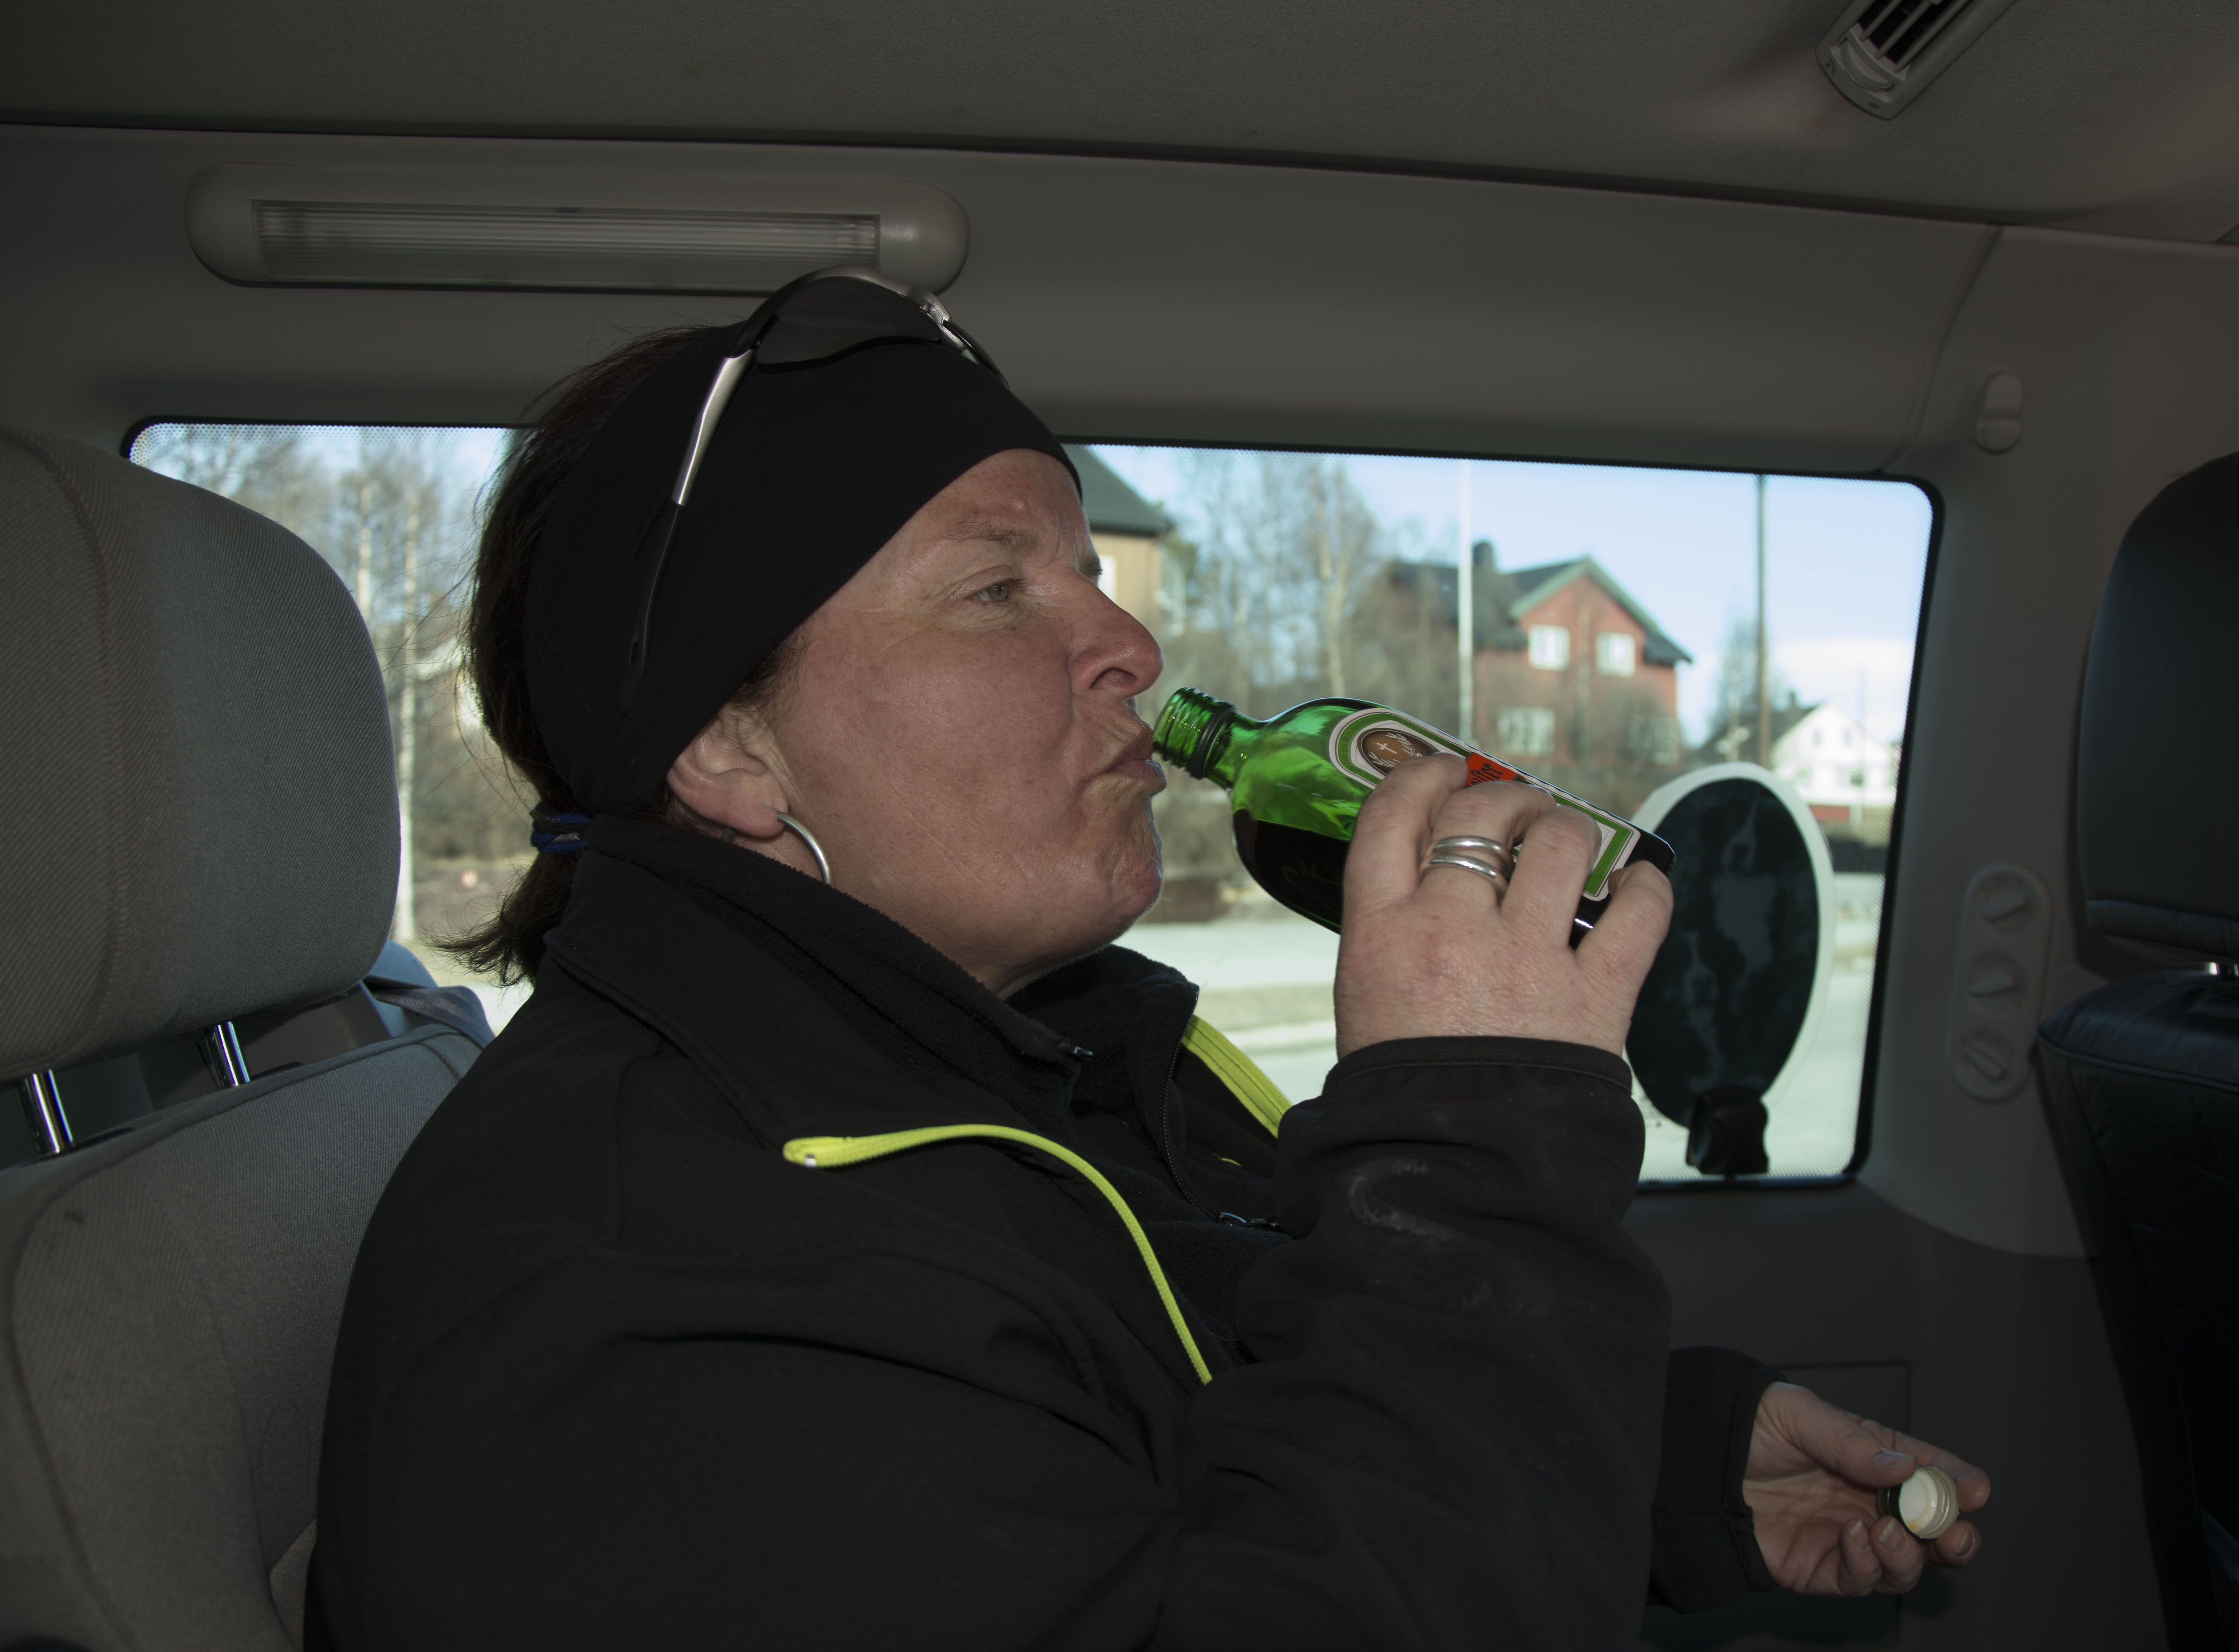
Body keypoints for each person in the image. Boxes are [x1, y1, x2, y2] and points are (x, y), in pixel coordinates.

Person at [310, 269, 1988, 1650]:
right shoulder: (648, 1304)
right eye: (996, 589)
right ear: (727, 746)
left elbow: (1175, 1447)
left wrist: (1657, 1473)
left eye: (1096, 579)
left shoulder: (1016, 1067)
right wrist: (1474, 1137)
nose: (1129, 642)